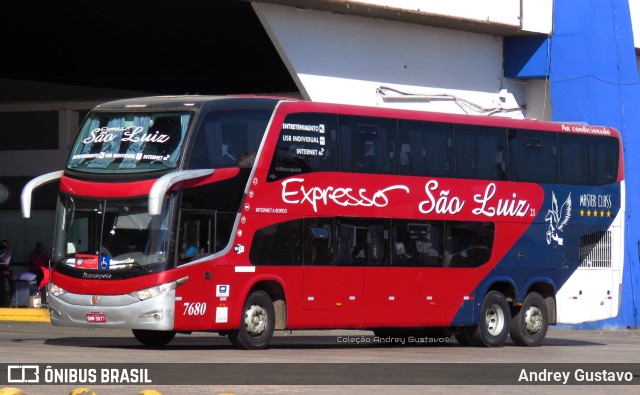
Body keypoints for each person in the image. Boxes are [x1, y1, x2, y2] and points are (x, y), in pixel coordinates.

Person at [0, 240, 12, 306]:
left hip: (5, 272)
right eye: (2, 245)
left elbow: (3, 260)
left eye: (5, 245)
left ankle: (4, 304)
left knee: (4, 289)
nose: (3, 246)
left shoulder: (8, 252)